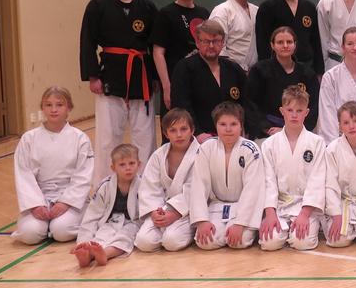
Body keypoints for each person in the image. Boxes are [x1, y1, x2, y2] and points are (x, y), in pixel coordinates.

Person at [79, 0, 157, 185]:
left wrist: (154, 78)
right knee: (107, 138)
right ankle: (104, 187)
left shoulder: (147, 7)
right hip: (110, 76)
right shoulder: (98, 5)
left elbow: (154, 46)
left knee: (145, 137)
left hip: (141, 77)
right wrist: (93, 76)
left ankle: (147, 186)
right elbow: (87, 42)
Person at [296, 101, 356, 249]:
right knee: (337, 241)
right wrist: (336, 214)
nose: (351, 126)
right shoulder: (332, 149)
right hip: (345, 204)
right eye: (346, 122)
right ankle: (353, 229)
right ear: (340, 126)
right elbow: (330, 185)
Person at [11, 87, 93, 245]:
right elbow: (23, 175)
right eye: (48, 105)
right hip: (39, 196)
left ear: (69, 108)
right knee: (30, 234)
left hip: (70, 198)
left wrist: (65, 202)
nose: (53, 110)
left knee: (61, 231)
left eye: (59, 105)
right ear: (42, 108)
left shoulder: (80, 138)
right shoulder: (28, 139)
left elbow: (83, 175)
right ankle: (43, 225)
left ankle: (57, 225)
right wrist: (35, 205)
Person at [257, 86, 326, 251]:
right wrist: (270, 213)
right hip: (279, 206)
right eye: (290, 110)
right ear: (282, 111)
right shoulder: (269, 144)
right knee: (269, 242)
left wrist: (305, 214)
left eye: (299, 110)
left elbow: (317, 181)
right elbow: (268, 181)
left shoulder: (317, 142)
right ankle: (283, 229)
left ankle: (300, 228)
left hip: (305, 206)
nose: (294, 115)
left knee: (302, 242)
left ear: (306, 113)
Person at [189, 102, 265, 250]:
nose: (228, 129)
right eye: (223, 124)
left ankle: (240, 228)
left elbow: (253, 189)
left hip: (242, 208)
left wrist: (240, 223)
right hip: (216, 207)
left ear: (241, 126)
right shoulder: (206, 148)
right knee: (205, 242)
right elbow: (199, 185)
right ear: (215, 126)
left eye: (233, 124)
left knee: (239, 241)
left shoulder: (250, 149)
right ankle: (221, 231)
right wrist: (202, 220)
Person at [170, 20, 252, 140]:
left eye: (216, 41)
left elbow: (247, 102)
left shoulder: (233, 68)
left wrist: (245, 128)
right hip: (199, 137)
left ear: (223, 43)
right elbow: (181, 105)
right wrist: (197, 133)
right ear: (197, 43)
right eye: (206, 41)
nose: (211, 46)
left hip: (232, 134)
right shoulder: (185, 68)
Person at [133, 108, 199, 252]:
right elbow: (149, 187)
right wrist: (154, 212)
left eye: (183, 129)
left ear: (192, 130)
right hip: (161, 209)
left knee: (172, 241)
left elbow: (197, 190)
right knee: (144, 242)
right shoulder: (159, 155)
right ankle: (161, 223)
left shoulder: (201, 154)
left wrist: (175, 214)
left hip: (188, 211)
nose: (179, 135)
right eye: (173, 130)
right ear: (165, 133)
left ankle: (192, 230)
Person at [151, 0, 210, 114]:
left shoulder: (204, 13)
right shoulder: (165, 14)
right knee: (176, 123)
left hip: (201, 79)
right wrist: (166, 86)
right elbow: (158, 53)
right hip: (176, 80)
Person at [71, 144, 141, 267]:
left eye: (131, 163)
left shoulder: (143, 185)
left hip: (133, 222)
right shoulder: (105, 186)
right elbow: (92, 215)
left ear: (139, 164)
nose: (128, 168)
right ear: (113, 168)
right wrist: (82, 242)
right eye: (122, 165)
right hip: (111, 222)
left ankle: (106, 254)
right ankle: (87, 255)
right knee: (101, 236)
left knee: (124, 237)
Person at [246, 26, 319, 138]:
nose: (285, 45)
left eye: (289, 42)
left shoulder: (307, 73)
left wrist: (294, 129)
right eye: (280, 42)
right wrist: (267, 128)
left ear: (295, 44)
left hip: (300, 131)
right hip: (268, 132)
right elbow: (251, 104)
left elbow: (314, 106)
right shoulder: (259, 71)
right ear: (272, 45)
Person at [255, 0, 324, 75]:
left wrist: (319, 72)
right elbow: (262, 45)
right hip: (277, 71)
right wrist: (265, 73)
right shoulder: (267, 8)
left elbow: (316, 43)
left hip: (307, 70)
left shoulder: (309, 7)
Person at [209, 0, 259, 71]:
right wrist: (236, 72)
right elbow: (217, 48)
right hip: (230, 72)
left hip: (254, 73)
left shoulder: (256, 11)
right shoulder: (222, 11)